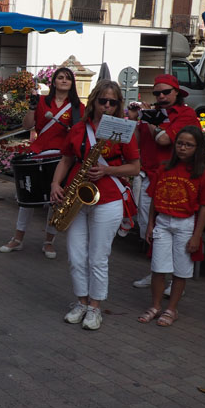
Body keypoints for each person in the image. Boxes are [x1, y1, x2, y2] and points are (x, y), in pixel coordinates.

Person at [50, 80, 140, 330]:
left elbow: (135, 167)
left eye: (113, 102)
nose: (107, 106)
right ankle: (80, 302)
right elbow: (66, 159)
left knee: (98, 257)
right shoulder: (79, 128)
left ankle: (95, 308)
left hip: (108, 198)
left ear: (118, 104)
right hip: (76, 195)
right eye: (103, 101)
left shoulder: (124, 129)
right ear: (94, 102)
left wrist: (107, 169)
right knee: (76, 256)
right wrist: (55, 184)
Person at [0, 67, 84, 259]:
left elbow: (79, 133)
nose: (63, 81)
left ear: (72, 83)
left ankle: (49, 241)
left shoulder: (78, 107)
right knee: (27, 198)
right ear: (53, 82)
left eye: (67, 78)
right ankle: (18, 239)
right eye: (60, 77)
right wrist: (31, 107)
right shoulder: (43, 102)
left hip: (61, 157)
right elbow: (28, 125)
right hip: (38, 152)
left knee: (55, 199)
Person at [132, 74, 201, 290]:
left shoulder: (186, 114)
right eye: (157, 93)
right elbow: (136, 142)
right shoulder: (153, 113)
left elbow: (163, 140)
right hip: (149, 176)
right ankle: (157, 273)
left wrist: (151, 121)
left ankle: (173, 279)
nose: (161, 96)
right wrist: (136, 120)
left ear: (177, 92)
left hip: (176, 179)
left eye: (165, 92)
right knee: (148, 228)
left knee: (173, 230)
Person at [138, 126, 205, 327]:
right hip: (163, 222)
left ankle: (171, 309)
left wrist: (197, 236)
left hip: (185, 225)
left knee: (181, 270)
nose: (183, 148)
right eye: (180, 143)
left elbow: (204, 208)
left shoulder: (203, 175)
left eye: (189, 145)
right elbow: (154, 198)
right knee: (158, 268)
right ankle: (156, 305)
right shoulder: (164, 168)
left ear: (197, 148)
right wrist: (150, 223)